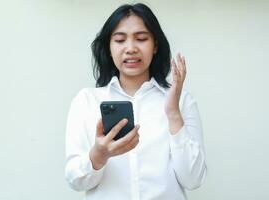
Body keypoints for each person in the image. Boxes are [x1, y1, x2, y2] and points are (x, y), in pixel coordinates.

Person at [65, 3, 207, 200]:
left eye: (141, 39)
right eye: (120, 40)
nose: (130, 48)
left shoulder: (182, 100)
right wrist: (98, 155)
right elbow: (75, 180)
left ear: (155, 45)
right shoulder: (86, 101)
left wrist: (173, 113)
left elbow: (194, 179)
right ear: (109, 47)